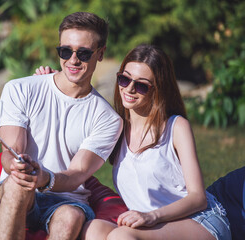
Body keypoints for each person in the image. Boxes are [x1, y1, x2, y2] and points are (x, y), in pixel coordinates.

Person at [35, 44, 232, 240]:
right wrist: (58, 84)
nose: (129, 89)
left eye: (141, 85)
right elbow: (77, 111)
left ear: (158, 90)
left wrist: (151, 216)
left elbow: (198, 198)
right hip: (152, 225)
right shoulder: (115, 128)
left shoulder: (176, 127)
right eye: (124, 79)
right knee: (92, 229)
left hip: (197, 221)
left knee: (121, 236)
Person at [0, 12, 123, 240]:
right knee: (18, 185)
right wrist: (17, 166)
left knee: (69, 217)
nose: (73, 60)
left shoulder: (108, 119)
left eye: (84, 53)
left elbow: (77, 173)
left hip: (68, 199)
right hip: (15, 191)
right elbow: (9, 152)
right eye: (65, 51)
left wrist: (45, 178)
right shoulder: (20, 89)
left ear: (100, 54)